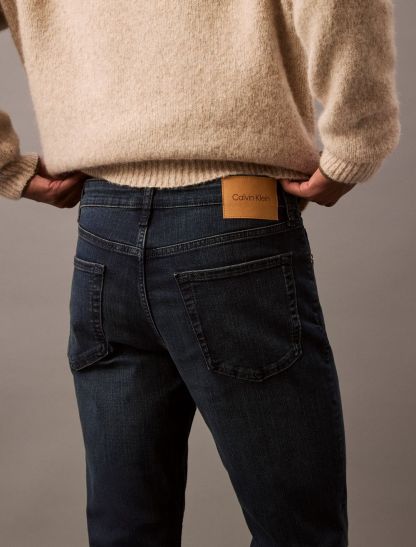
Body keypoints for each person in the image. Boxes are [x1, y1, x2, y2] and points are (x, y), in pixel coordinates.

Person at [1, 1, 400, 546]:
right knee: (298, 533)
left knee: (127, 532)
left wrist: (9, 167)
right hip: (235, 222)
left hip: (104, 228)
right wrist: (357, 143)